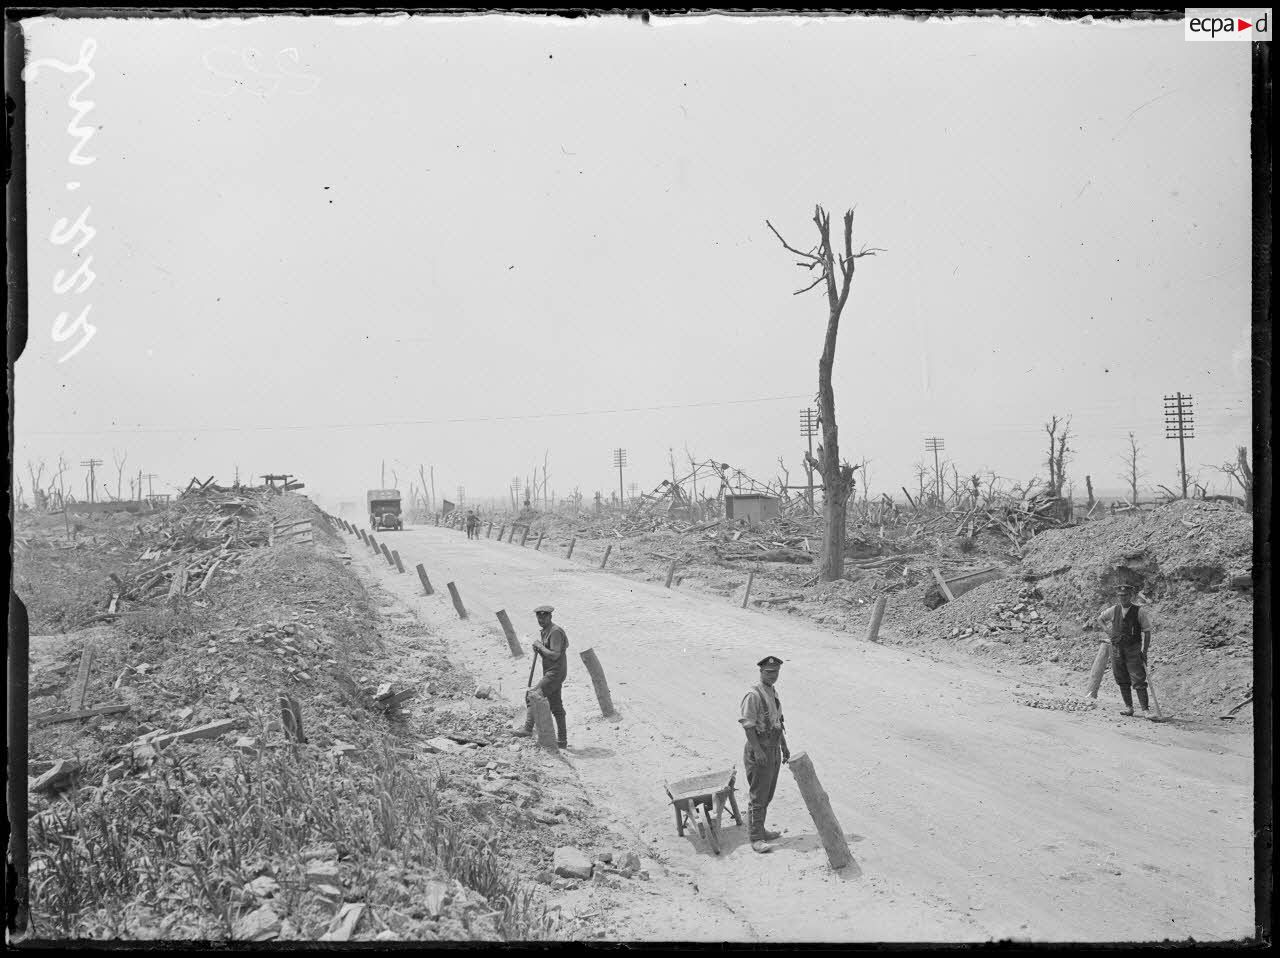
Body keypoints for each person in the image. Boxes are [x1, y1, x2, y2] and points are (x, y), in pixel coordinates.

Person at [739, 655, 790, 853]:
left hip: (773, 747)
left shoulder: (772, 691)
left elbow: (778, 723)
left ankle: (761, 830)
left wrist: (784, 747)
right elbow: (748, 726)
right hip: (759, 748)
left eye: (776, 672)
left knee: (767, 794)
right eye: (769, 672)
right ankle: (756, 838)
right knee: (758, 795)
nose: (773, 675)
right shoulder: (753, 695)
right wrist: (758, 751)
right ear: (761, 672)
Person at [512, 605, 569, 747]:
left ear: (550, 617)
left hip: (555, 673)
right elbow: (548, 652)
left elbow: (555, 655)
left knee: (533, 695)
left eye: (544, 617)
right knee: (556, 706)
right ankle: (562, 741)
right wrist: (539, 648)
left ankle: (527, 728)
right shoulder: (546, 631)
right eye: (539, 617)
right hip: (552, 672)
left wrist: (540, 646)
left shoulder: (555, 631)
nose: (541, 620)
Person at [1098, 582, 1156, 718]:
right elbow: (1100, 619)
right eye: (1120, 595)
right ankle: (1129, 708)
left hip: (1133, 650)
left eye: (1125, 595)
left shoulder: (1139, 611)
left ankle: (1145, 710)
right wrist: (1107, 631)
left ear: (1131, 596)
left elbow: (1147, 632)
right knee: (1122, 678)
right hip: (1117, 649)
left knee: (1138, 679)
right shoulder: (1114, 610)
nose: (1122, 598)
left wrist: (1145, 651)